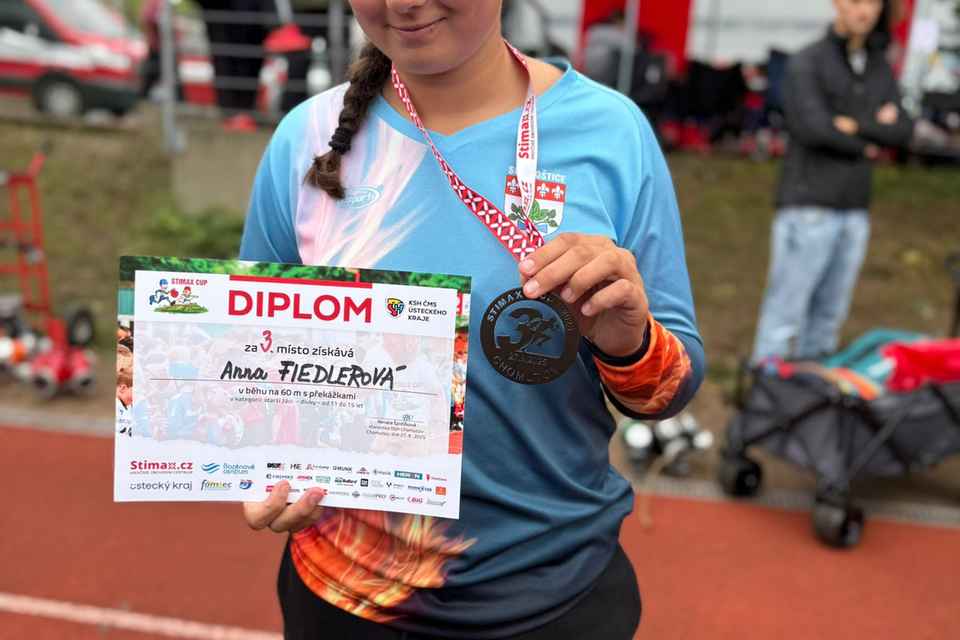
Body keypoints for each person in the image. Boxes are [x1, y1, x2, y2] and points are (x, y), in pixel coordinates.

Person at [239, 1, 704, 637]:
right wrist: (262, 465)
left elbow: (668, 393)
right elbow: (254, 365)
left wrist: (631, 343)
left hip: (558, 595)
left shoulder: (611, 131)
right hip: (347, 599)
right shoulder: (305, 137)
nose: (402, 2)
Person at [751, 0, 915, 363]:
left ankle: (812, 391)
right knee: (785, 316)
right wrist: (872, 134)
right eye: (856, 1)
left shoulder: (877, 65)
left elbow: (903, 130)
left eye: (872, 2)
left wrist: (853, 124)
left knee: (828, 319)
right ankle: (765, 389)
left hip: (855, 207)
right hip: (808, 204)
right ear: (837, 3)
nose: (864, 11)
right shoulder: (807, 61)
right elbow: (814, 128)